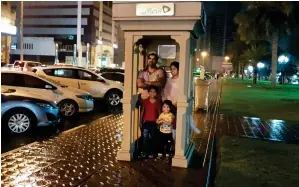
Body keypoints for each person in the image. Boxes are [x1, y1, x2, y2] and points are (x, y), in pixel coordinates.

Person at [140, 85, 161, 159]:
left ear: (156, 93)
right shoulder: (145, 101)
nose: (152, 93)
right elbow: (142, 111)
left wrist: (159, 122)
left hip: (154, 123)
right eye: (151, 91)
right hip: (146, 122)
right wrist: (140, 121)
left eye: (154, 92)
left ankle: (153, 152)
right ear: (148, 92)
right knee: (145, 138)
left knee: (153, 138)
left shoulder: (158, 102)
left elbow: (159, 112)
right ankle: (146, 152)